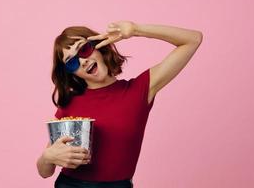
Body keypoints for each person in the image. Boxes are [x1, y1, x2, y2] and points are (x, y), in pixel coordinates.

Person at [36, 21, 203, 188]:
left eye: (84, 49)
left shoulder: (139, 90)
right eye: (72, 62)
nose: (83, 62)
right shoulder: (70, 103)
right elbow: (45, 172)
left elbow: (193, 39)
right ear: (71, 72)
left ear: (98, 46)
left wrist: (136, 30)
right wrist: (47, 157)